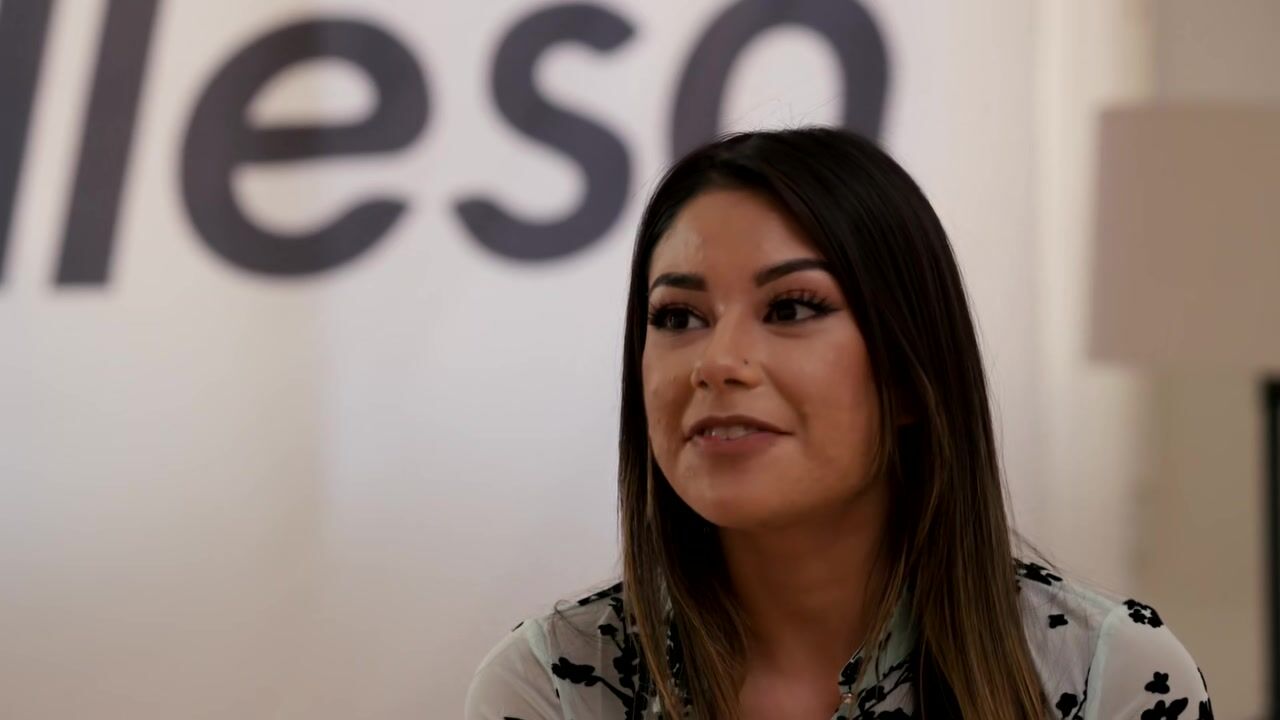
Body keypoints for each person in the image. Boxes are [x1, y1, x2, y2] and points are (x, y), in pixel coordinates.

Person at [464, 127, 1210, 719]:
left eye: (792, 308)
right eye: (678, 317)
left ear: (911, 374)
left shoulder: (1109, 678)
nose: (717, 362)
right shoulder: (550, 688)